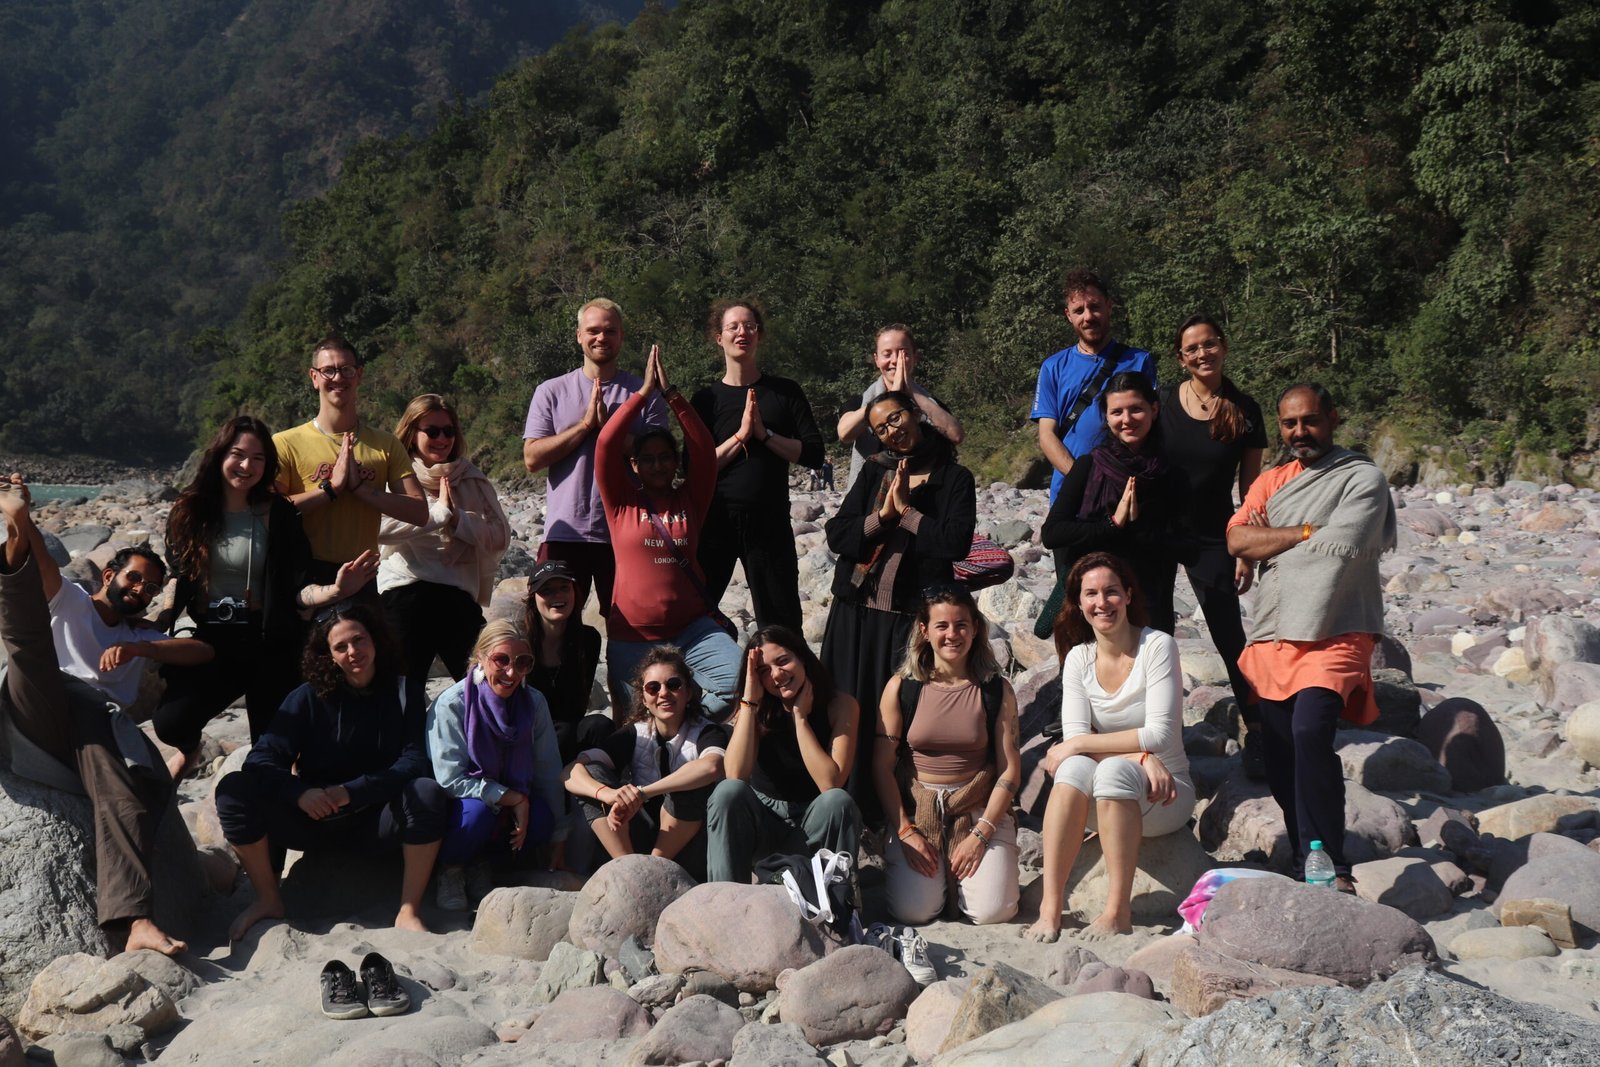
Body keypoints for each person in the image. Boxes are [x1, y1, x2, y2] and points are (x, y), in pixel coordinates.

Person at [0, 475, 200, 955]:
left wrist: (136, 648)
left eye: (150, 588)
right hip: (40, 699)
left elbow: (202, 652)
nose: (140, 590)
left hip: (90, 730)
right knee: (29, 642)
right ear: (109, 576)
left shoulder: (140, 636)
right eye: (133, 578)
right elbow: (43, 564)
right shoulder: (70, 598)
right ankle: (12, 523)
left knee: (125, 799)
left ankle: (135, 922)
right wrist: (25, 522)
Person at [1226, 384, 1396, 891]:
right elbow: (1237, 538)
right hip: (1275, 629)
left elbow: (1344, 544)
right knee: (1279, 752)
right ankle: (1306, 856)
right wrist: (1303, 532)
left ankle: (1333, 864)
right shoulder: (1271, 480)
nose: (1299, 432)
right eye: (1289, 423)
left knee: (1309, 733)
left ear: (1333, 418)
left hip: (1337, 626)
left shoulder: (1363, 478)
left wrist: (1269, 544)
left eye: (1310, 420)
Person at [155, 417, 375, 778]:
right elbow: (178, 575)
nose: (247, 466)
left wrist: (335, 591)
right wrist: (163, 618)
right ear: (220, 455)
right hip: (213, 639)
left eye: (258, 458)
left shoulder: (279, 513)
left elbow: (297, 589)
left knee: (272, 755)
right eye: (238, 454)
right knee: (170, 722)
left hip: (269, 641)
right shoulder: (190, 511)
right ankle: (190, 751)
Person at [215, 605, 447, 940]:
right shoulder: (307, 698)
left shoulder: (403, 693)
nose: (353, 651)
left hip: (375, 821)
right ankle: (268, 898)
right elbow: (262, 759)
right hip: (313, 821)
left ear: (375, 640)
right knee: (234, 788)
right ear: (328, 655)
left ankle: (408, 910)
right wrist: (299, 794)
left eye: (359, 639)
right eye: (341, 646)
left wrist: (353, 791)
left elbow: (414, 761)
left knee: (427, 792)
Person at [1025, 552, 1196, 943]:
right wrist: (1138, 756)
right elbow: (1075, 745)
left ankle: (1117, 911)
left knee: (1108, 769)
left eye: (1111, 592)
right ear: (1078, 602)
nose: (1102, 603)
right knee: (1073, 770)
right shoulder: (1079, 658)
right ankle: (1050, 906)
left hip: (1165, 793)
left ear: (1129, 595)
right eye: (1091, 594)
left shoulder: (1157, 646)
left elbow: (1159, 735)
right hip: (1103, 797)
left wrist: (1087, 744)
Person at [822, 390, 975, 818]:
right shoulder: (875, 470)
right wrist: (883, 519)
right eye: (881, 428)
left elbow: (955, 543)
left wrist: (908, 514)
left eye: (896, 417)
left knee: (898, 718)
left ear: (914, 414)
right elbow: (838, 534)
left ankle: (899, 811)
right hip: (855, 611)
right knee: (848, 710)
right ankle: (843, 803)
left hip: (910, 619)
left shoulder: (954, 478)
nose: (893, 430)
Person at [597, 345, 741, 720]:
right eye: (648, 459)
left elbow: (704, 452)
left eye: (665, 457)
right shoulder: (620, 503)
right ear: (634, 465)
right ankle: (667, 735)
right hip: (633, 636)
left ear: (676, 462)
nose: (658, 465)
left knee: (738, 682)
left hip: (693, 630)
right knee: (634, 722)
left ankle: (685, 723)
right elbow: (606, 444)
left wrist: (672, 396)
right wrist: (642, 394)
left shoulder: (690, 499)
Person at [1157, 315, 1268, 777]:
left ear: (1223, 346)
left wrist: (1246, 550)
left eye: (1209, 344)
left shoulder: (1245, 409)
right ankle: (1156, 736)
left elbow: (1252, 490)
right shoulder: (1162, 401)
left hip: (1213, 535)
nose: (1202, 353)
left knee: (1229, 634)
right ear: (1181, 358)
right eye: (1192, 348)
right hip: (1158, 531)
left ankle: (1259, 731)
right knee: (1155, 634)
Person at [874, 586, 1021, 925]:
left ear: (975, 629)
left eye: (961, 625)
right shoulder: (902, 687)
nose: (952, 635)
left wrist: (981, 833)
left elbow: (1009, 771)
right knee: (915, 912)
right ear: (924, 630)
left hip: (978, 808)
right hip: (918, 810)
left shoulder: (995, 690)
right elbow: (881, 766)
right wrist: (906, 831)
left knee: (992, 911)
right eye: (942, 626)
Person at [523, 298, 668, 617]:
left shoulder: (644, 393)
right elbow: (532, 458)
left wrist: (609, 430)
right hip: (564, 532)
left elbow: (660, 463)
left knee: (629, 624)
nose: (601, 337)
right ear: (579, 335)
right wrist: (585, 426)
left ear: (621, 336)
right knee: (551, 626)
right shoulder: (551, 391)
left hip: (626, 532)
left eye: (610, 331)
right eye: (593, 331)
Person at [691, 300, 825, 633]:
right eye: (733, 326)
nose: (742, 332)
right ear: (718, 337)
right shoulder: (705, 399)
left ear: (759, 335)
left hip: (770, 521)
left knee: (781, 626)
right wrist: (741, 435)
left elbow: (813, 453)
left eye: (750, 326)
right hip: (715, 522)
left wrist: (764, 435)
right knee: (694, 617)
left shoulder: (785, 392)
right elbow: (693, 468)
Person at [426, 620, 564, 910]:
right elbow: (450, 779)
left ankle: (483, 863)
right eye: (501, 660)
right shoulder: (453, 704)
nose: (512, 673)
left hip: (512, 801)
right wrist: (510, 797)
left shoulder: (533, 703)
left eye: (522, 662)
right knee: (477, 814)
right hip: (464, 804)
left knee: (542, 819)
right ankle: (451, 869)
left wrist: (558, 837)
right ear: (481, 657)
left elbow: (548, 770)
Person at [273, 336, 428, 593]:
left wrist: (361, 490)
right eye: (328, 370)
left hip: (362, 577)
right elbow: (268, 511)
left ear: (359, 375)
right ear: (314, 377)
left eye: (346, 370)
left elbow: (419, 512)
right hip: (303, 575)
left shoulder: (385, 444)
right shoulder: (285, 443)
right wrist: (331, 489)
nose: (337, 377)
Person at [1041, 372, 1192, 634]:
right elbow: (1052, 534)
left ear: (1154, 409)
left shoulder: (1170, 473)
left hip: (1148, 605)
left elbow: (1189, 548)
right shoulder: (1089, 466)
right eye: (1117, 412)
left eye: (1136, 409)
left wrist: (1140, 526)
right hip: (1095, 609)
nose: (1127, 419)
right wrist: (1111, 524)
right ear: (1106, 416)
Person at [707, 627, 860, 883]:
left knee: (838, 801)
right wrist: (749, 702)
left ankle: (837, 900)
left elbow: (830, 782)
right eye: (764, 670)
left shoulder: (840, 705)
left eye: (783, 661)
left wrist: (800, 719)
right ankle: (726, 897)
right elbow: (734, 774)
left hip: (813, 825)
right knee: (727, 792)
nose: (777, 674)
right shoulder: (754, 708)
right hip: (764, 826)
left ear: (802, 657)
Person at [378, 394, 510, 683]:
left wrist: (457, 519)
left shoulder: (470, 477)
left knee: (484, 682)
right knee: (401, 690)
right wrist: (436, 515)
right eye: (432, 431)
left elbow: (500, 537)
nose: (442, 439)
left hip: (456, 593)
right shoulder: (395, 475)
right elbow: (378, 528)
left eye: (448, 431)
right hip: (405, 590)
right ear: (412, 434)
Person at [565, 647, 730, 878]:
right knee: (591, 775)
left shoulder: (708, 732)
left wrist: (643, 793)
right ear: (644, 698)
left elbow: (712, 766)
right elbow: (570, 772)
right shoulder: (636, 733)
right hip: (640, 837)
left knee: (690, 780)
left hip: (692, 845)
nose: (663, 693)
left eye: (673, 685)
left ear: (688, 692)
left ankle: (654, 870)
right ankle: (630, 870)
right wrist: (610, 795)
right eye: (653, 688)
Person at [1031, 270, 1158, 505]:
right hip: (1070, 494)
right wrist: (1084, 481)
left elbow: (1152, 428)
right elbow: (1047, 435)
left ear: (1109, 306)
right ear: (1068, 316)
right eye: (1079, 310)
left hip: (1126, 494)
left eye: (1095, 306)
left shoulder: (1140, 361)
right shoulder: (1053, 367)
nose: (1088, 316)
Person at [837, 325, 965, 488]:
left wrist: (912, 392)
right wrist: (891, 396)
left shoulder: (931, 405)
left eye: (903, 353)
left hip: (922, 492)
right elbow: (844, 433)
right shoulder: (859, 402)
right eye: (887, 354)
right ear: (877, 360)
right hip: (869, 494)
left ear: (915, 357)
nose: (895, 360)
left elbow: (956, 436)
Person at [522, 559, 611, 763]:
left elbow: (578, 706)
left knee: (600, 725)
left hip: (568, 733)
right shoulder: (520, 642)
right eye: (547, 591)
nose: (558, 596)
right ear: (533, 598)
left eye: (564, 588)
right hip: (526, 736)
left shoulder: (588, 640)